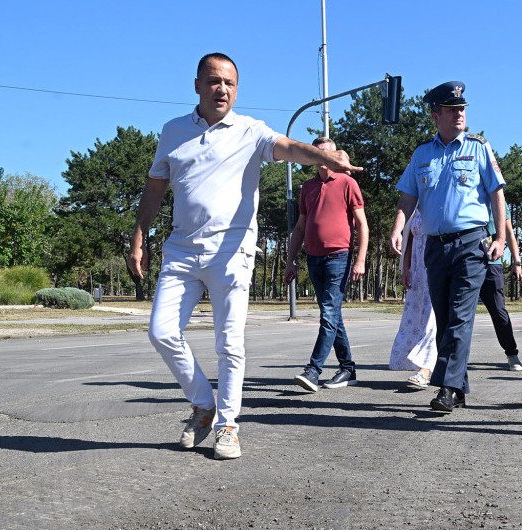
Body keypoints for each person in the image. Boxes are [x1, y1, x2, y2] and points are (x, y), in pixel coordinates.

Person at [128, 53, 360, 459]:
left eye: (230, 83)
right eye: (214, 81)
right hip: (181, 249)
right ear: (197, 85)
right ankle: (204, 402)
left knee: (229, 344)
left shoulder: (250, 131)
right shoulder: (173, 131)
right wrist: (138, 235)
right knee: (161, 332)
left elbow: (289, 147)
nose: (222, 89)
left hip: (231, 253)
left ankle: (228, 426)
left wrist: (326, 157)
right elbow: (154, 188)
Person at [389, 81, 507, 413]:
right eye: (453, 110)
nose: (460, 114)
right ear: (435, 115)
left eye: (462, 109)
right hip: (435, 247)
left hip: (471, 243)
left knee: (459, 317)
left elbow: (496, 192)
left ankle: (448, 387)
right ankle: (460, 385)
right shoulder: (422, 154)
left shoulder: (478, 147)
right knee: (443, 319)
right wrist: (398, 229)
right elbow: (408, 197)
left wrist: (499, 238)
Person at [286, 136, 368, 393]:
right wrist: (290, 260)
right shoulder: (307, 187)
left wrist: (361, 259)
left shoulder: (347, 183)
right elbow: (300, 227)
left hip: (338, 257)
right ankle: (347, 368)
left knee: (329, 314)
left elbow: (362, 224)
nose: (322, 156)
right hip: (313, 257)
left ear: (335, 156)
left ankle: (313, 370)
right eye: (317, 152)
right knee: (333, 315)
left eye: (326, 152)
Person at [389, 209, 436, 389]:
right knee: (417, 319)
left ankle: (425, 370)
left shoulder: (439, 200)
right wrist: (406, 268)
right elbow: (409, 239)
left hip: (436, 267)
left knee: (431, 319)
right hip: (418, 272)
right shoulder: (416, 207)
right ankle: (430, 367)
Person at [480, 214, 522, 371]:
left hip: (492, 264)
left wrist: (516, 262)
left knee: (499, 311)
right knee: (459, 314)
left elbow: (510, 234)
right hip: (466, 263)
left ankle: (512, 354)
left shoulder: (498, 200)